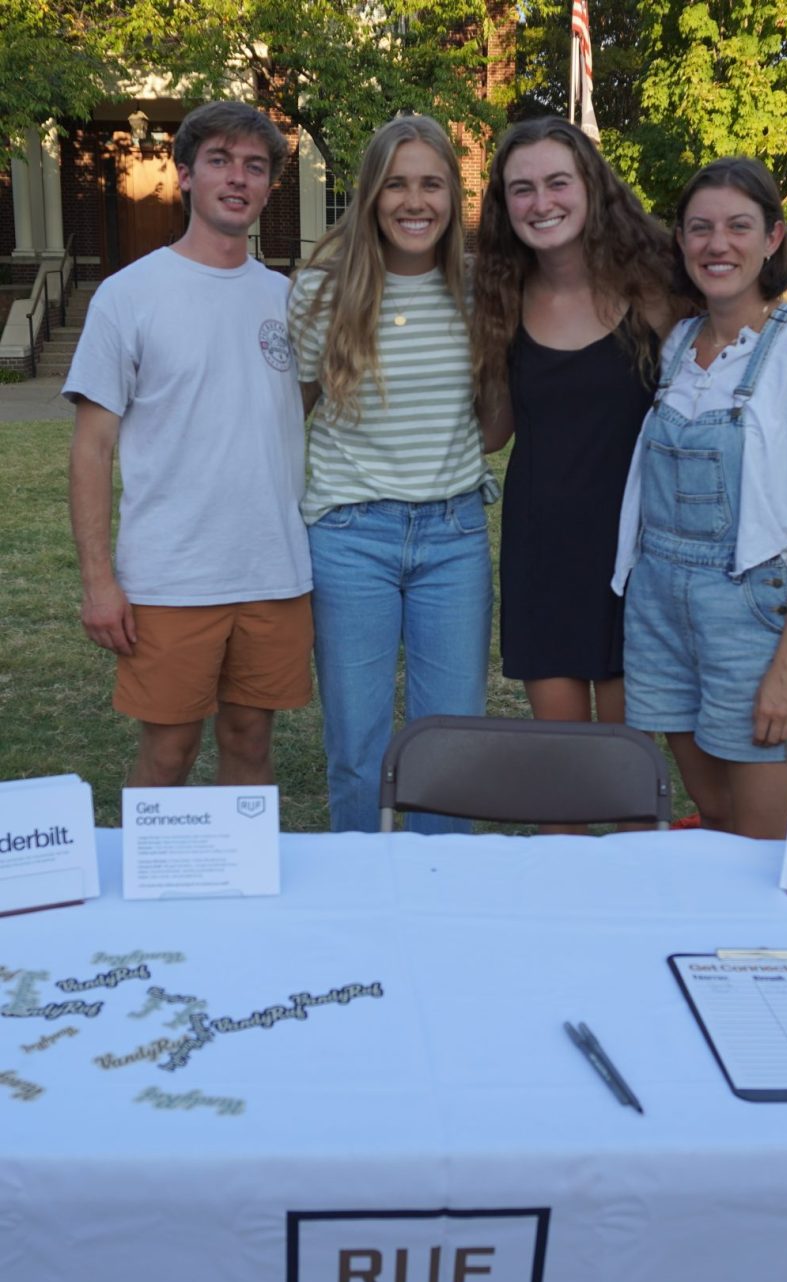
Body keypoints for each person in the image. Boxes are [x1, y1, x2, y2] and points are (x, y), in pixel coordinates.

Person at [613, 157, 787, 839]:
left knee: (762, 845)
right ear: (681, 241)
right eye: (699, 229)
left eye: (737, 227)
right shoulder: (676, 344)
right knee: (715, 818)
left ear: (773, 236)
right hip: (660, 611)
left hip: (753, 616)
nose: (716, 244)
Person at [66, 101, 313, 789]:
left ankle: (244, 894)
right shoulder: (128, 296)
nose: (238, 179)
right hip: (173, 576)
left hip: (275, 570)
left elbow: (298, 407)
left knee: (250, 744)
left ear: (268, 187)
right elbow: (91, 451)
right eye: (220, 161)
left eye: (255, 167)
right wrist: (98, 583)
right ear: (184, 176)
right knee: (169, 752)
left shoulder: (287, 300)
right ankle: (153, 895)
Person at [287, 115, 497, 834]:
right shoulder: (320, 292)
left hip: (454, 535)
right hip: (349, 539)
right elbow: (289, 423)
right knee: (358, 745)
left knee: (452, 742)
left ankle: (441, 897)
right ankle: (363, 897)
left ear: (454, 196)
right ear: (371, 196)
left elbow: (493, 429)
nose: (416, 201)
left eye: (432, 183)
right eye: (397, 184)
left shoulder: (479, 292)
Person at [472, 117, 675, 743]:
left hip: (633, 556)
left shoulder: (656, 288)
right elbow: (493, 433)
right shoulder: (503, 294)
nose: (542, 202)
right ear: (505, 205)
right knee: (563, 776)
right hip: (542, 553)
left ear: (591, 185)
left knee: (629, 778)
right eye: (522, 189)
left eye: (557, 182)